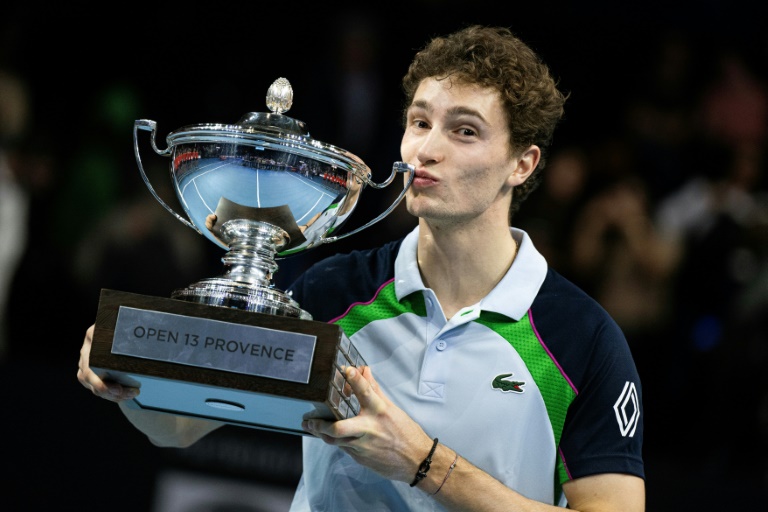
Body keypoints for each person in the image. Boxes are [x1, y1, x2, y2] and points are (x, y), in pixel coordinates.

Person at [78, 25, 645, 510]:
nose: (426, 149)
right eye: (420, 122)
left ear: (522, 163)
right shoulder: (335, 292)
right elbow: (178, 426)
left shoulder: (583, 340)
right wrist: (130, 380)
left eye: (464, 130)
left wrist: (422, 462)